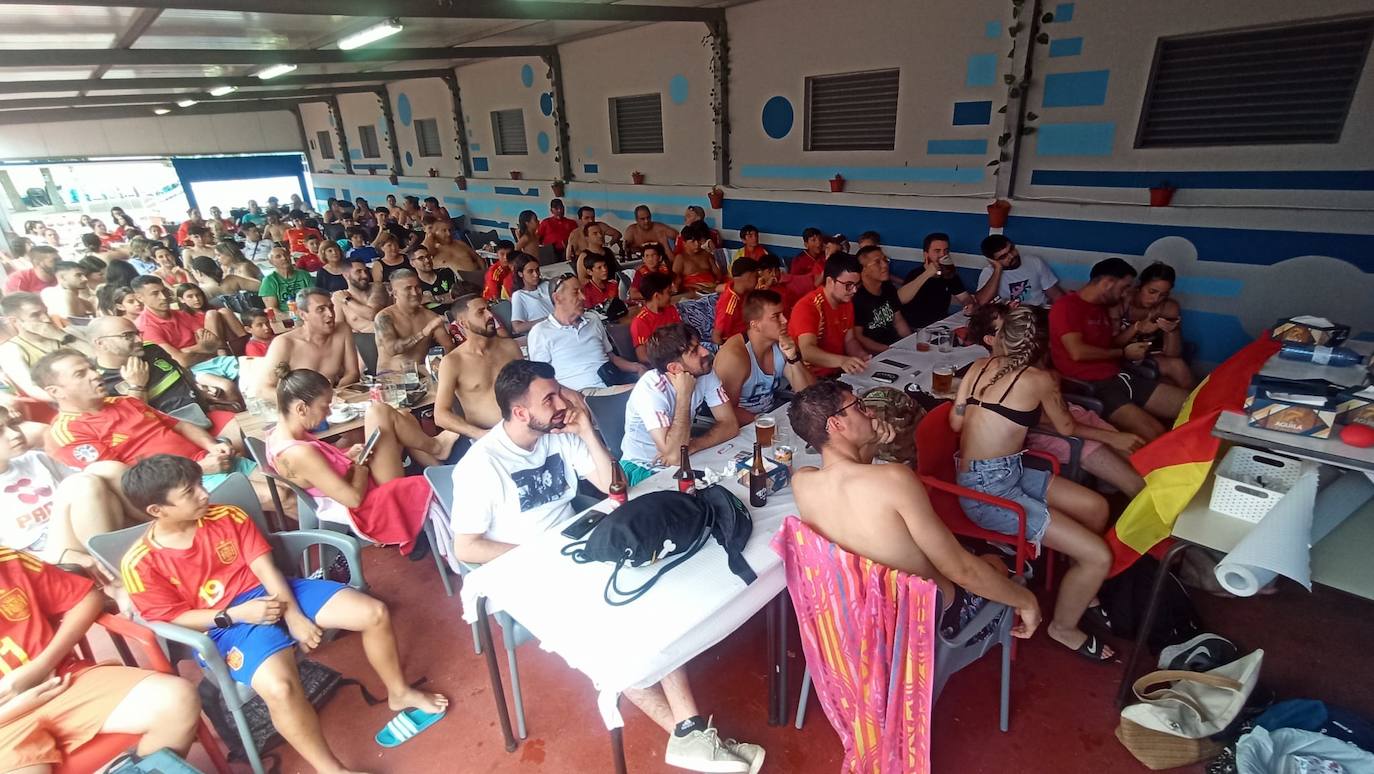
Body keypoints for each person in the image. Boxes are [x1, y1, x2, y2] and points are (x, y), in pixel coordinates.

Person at [450, 360, 763, 773]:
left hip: (580, 545)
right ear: (520, 412)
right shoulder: (482, 465)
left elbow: (613, 484)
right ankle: (687, 732)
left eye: (559, 392)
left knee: (652, 598)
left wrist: (585, 431)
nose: (563, 402)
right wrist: (540, 552)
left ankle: (689, 735)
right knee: (623, 629)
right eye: (550, 399)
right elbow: (467, 548)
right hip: (527, 569)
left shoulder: (557, 433)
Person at [118, 454, 448, 774]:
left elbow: (265, 568)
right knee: (280, 689)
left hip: (274, 592)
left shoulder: (226, 517)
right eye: (190, 493)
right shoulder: (140, 562)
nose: (204, 494)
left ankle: (399, 693)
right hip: (224, 625)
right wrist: (233, 614)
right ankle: (331, 770)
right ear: (156, 510)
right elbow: (170, 617)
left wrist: (293, 615)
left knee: (372, 613)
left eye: (199, 484)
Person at [787, 380, 1041, 657]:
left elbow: (853, 489)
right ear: (835, 424)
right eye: (858, 406)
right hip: (931, 620)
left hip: (866, 618)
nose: (869, 412)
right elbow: (961, 572)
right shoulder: (895, 479)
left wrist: (869, 448)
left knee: (968, 555)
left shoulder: (802, 483)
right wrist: (1027, 602)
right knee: (996, 563)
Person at [952, 306, 1117, 661]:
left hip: (1001, 471)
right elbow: (1068, 429)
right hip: (987, 493)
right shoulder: (1039, 379)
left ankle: (1079, 584)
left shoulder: (977, 368)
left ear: (999, 337)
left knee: (1096, 506)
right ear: (1038, 344)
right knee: (1099, 555)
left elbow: (955, 424)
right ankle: (1064, 628)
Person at [0, 549, 203, 773]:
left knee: (176, 699)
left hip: (63, 682)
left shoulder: (7, 561)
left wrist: (40, 667)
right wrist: (13, 708)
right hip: (5, 728)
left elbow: (87, 597)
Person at [266, 366, 459, 551]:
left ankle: (438, 464)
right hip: (368, 505)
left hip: (360, 486)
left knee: (401, 416)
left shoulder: (277, 437)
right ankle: (437, 452)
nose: (329, 413)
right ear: (301, 409)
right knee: (379, 412)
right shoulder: (299, 454)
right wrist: (360, 467)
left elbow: (319, 472)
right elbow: (354, 499)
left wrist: (346, 456)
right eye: (325, 407)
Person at [967, 304, 1145, 497]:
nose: (1021, 329)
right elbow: (1050, 423)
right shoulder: (992, 374)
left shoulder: (1029, 361)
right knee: (1136, 483)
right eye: (1008, 327)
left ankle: (1109, 485)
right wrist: (1110, 437)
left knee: (1143, 463)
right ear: (991, 340)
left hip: (1069, 419)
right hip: (1052, 433)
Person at [36, 350, 255, 490]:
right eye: (80, 374)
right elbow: (128, 481)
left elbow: (180, 425)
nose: (95, 375)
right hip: (182, 485)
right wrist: (198, 468)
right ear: (56, 391)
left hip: (210, 460)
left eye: (91, 368)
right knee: (276, 496)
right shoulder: (69, 433)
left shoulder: (124, 402)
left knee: (284, 486)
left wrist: (213, 446)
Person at [1049, 258, 1188, 441]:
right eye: (1123, 288)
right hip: (1094, 386)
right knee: (1155, 432)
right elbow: (1078, 352)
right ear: (1107, 284)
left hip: (1120, 376)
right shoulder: (1067, 307)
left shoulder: (1099, 309)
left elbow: (1111, 344)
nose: (1125, 294)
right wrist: (1123, 353)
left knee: (1193, 404)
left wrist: (1136, 329)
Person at [0, 407, 138, 565]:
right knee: (81, 484)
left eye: (12, 424)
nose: (15, 434)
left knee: (105, 469)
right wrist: (64, 557)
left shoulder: (35, 459)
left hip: (84, 529)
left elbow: (92, 494)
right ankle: (112, 567)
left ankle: (162, 528)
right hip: (46, 557)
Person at [619, 323, 740, 484]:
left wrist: (694, 445)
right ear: (675, 368)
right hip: (643, 468)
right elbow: (675, 456)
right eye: (694, 351)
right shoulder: (650, 390)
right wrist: (684, 395)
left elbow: (730, 424)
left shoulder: (704, 371)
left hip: (683, 458)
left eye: (700, 345)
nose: (705, 352)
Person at [89, 315, 240, 440]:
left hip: (203, 416)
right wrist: (137, 387)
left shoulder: (151, 349)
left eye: (137, 333)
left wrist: (201, 393)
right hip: (169, 436)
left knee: (247, 434)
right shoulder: (100, 383)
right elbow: (133, 426)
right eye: (127, 336)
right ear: (101, 343)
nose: (138, 340)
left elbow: (182, 373)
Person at [527, 275, 645, 393]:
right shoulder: (541, 332)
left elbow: (611, 357)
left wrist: (637, 367)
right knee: (642, 391)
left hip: (613, 380)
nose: (583, 297)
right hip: (582, 394)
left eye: (582, 291)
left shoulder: (593, 319)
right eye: (575, 293)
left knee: (654, 381)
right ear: (557, 298)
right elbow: (541, 379)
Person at [714, 289, 814, 424]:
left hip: (770, 415)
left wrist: (793, 358)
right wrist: (766, 423)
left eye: (783, 314)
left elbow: (808, 394)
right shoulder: (735, 356)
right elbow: (726, 412)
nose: (785, 320)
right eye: (776, 316)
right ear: (755, 325)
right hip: (743, 427)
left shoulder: (781, 344)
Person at [434, 295, 522, 441]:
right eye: (481, 312)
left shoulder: (510, 347)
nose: (490, 315)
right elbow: (441, 415)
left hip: (522, 427)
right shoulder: (453, 362)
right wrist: (480, 434)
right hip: (486, 437)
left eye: (488, 309)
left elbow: (529, 386)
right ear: (464, 323)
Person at [131, 277, 240, 393]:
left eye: (164, 291)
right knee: (227, 387)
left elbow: (215, 343)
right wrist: (204, 348)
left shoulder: (181, 314)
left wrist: (187, 350)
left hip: (215, 361)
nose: (163, 297)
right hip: (188, 373)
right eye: (155, 294)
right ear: (139, 297)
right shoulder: (145, 326)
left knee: (253, 368)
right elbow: (181, 361)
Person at [258, 289, 361, 400]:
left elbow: (352, 373)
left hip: (333, 402)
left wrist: (335, 395)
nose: (330, 314)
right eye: (321, 309)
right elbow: (264, 389)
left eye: (331, 307)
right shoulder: (284, 343)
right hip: (298, 407)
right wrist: (301, 403)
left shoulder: (342, 330)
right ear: (303, 315)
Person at [1111, 262, 1193, 389]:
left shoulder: (1168, 306)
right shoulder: (1121, 301)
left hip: (1152, 356)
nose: (1156, 299)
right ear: (1140, 286)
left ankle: (1199, 406)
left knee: (1176, 369)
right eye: (1152, 291)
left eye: (1163, 295)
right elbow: (1112, 344)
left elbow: (1172, 354)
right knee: (1170, 377)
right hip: (1123, 355)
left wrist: (1172, 331)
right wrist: (1137, 327)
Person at [787, 253, 868, 377]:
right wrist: (842, 361)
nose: (854, 290)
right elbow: (807, 351)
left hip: (838, 373)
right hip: (812, 378)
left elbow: (850, 340)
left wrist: (862, 356)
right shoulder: (808, 307)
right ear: (830, 281)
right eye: (848, 285)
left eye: (857, 285)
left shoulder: (846, 302)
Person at [0, 294, 92, 400]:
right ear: (14, 321)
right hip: (68, 402)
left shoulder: (67, 333)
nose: (46, 319)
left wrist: (61, 336)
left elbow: (99, 359)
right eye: (35, 315)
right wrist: (77, 398)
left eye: (46, 312)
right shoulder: (10, 350)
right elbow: (33, 390)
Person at [374, 269, 454, 376]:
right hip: (391, 377)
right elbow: (392, 349)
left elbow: (449, 347)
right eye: (408, 288)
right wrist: (424, 333)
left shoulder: (430, 316)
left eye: (417, 287)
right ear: (395, 293)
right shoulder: (384, 317)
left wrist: (434, 368)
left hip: (421, 375)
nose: (415, 293)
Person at [898, 232, 974, 329]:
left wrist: (968, 304)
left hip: (940, 326)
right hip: (915, 328)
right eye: (937, 251)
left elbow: (964, 297)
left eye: (946, 251)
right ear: (926, 254)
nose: (942, 255)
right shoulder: (915, 274)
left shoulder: (949, 274)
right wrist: (927, 273)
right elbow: (900, 299)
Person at [851, 244, 912, 352]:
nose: (885, 265)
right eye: (877, 262)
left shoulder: (888, 287)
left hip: (895, 346)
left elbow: (898, 321)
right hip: (873, 353)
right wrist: (889, 350)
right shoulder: (856, 298)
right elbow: (858, 337)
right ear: (863, 270)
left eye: (885, 260)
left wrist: (911, 342)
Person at [974, 235, 1063, 307]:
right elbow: (981, 302)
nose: (1011, 256)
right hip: (1012, 319)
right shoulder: (989, 272)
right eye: (1003, 257)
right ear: (993, 260)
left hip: (1039, 312)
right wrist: (997, 269)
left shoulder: (1034, 262)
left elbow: (1056, 295)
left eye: (1011, 249)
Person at [629, 273, 682, 365]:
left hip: (679, 356)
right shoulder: (640, 322)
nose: (670, 297)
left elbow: (682, 334)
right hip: (663, 365)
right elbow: (642, 356)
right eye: (668, 293)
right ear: (657, 296)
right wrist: (670, 362)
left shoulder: (671, 309)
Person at [175, 282, 248, 345]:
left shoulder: (212, 308)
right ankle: (222, 350)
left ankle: (247, 341)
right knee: (212, 314)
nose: (196, 299)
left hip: (230, 338)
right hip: (210, 344)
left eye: (198, 295)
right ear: (181, 299)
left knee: (224, 311)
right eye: (190, 297)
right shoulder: (183, 316)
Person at [712, 257, 759, 345]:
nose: (757, 280)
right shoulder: (730, 304)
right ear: (748, 277)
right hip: (738, 341)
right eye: (756, 276)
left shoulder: (734, 286)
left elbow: (719, 288)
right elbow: (716, 336)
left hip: (748, 330)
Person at [332, 256, 384, 334]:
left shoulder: (377, 287)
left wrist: (347, 300)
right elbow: (339, 328)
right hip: (361, 341)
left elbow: (372, 315)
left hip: (385, 336)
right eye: (358, 271)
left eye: (366, 271)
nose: (365, 276)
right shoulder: (338, 297)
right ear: (346, 275)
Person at [508, 253, 554, 334]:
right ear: (520, 274)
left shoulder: (546, 285)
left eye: (537, 270)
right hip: (544, 331)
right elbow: (517, 327)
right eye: (530, 271)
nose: (536, 275)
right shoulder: (519, 295)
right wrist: (547, 319)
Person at [259, 247, 315, 313]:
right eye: (278, 256)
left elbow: (313, 297)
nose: (284, 258)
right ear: (271, 262)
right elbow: (272, 309)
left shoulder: (304, 274)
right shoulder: (269, 281)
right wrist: (292, 317)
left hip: (308, 313)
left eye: (286, 255)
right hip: (286, 318)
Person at [673, 222, 723, 293]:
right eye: (693, 241)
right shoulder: (680, 258)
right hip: (692, 292)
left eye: (698, 241)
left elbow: (718, 274)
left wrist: (717, 284)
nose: (697, 244)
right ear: (684, 243)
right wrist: (696, 286)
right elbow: (675, 282)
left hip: (712, 289)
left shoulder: (706, 254)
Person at [785, 227, 826, 299]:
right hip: (807, 294)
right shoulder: (799, 261)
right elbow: (794, 284)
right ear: (806, 244)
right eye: (813, 240)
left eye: (820, 239)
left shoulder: (824, 255)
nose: (818, 243)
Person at [190, 255, 259, 298]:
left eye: (192, 272)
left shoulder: (201, 292)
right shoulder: (232, 279)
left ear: (198, 272)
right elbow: (261, 286)